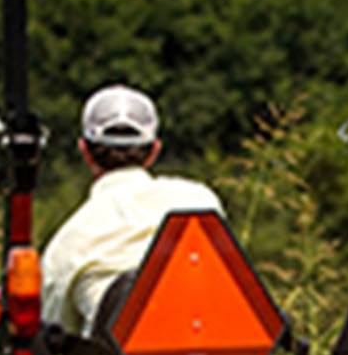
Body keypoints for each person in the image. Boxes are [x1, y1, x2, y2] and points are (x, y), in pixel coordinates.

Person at [40, 84, 223, 337]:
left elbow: (55, 336)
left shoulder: (66, 244)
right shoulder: (201, 202)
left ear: (85, 151)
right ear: (154, 151)